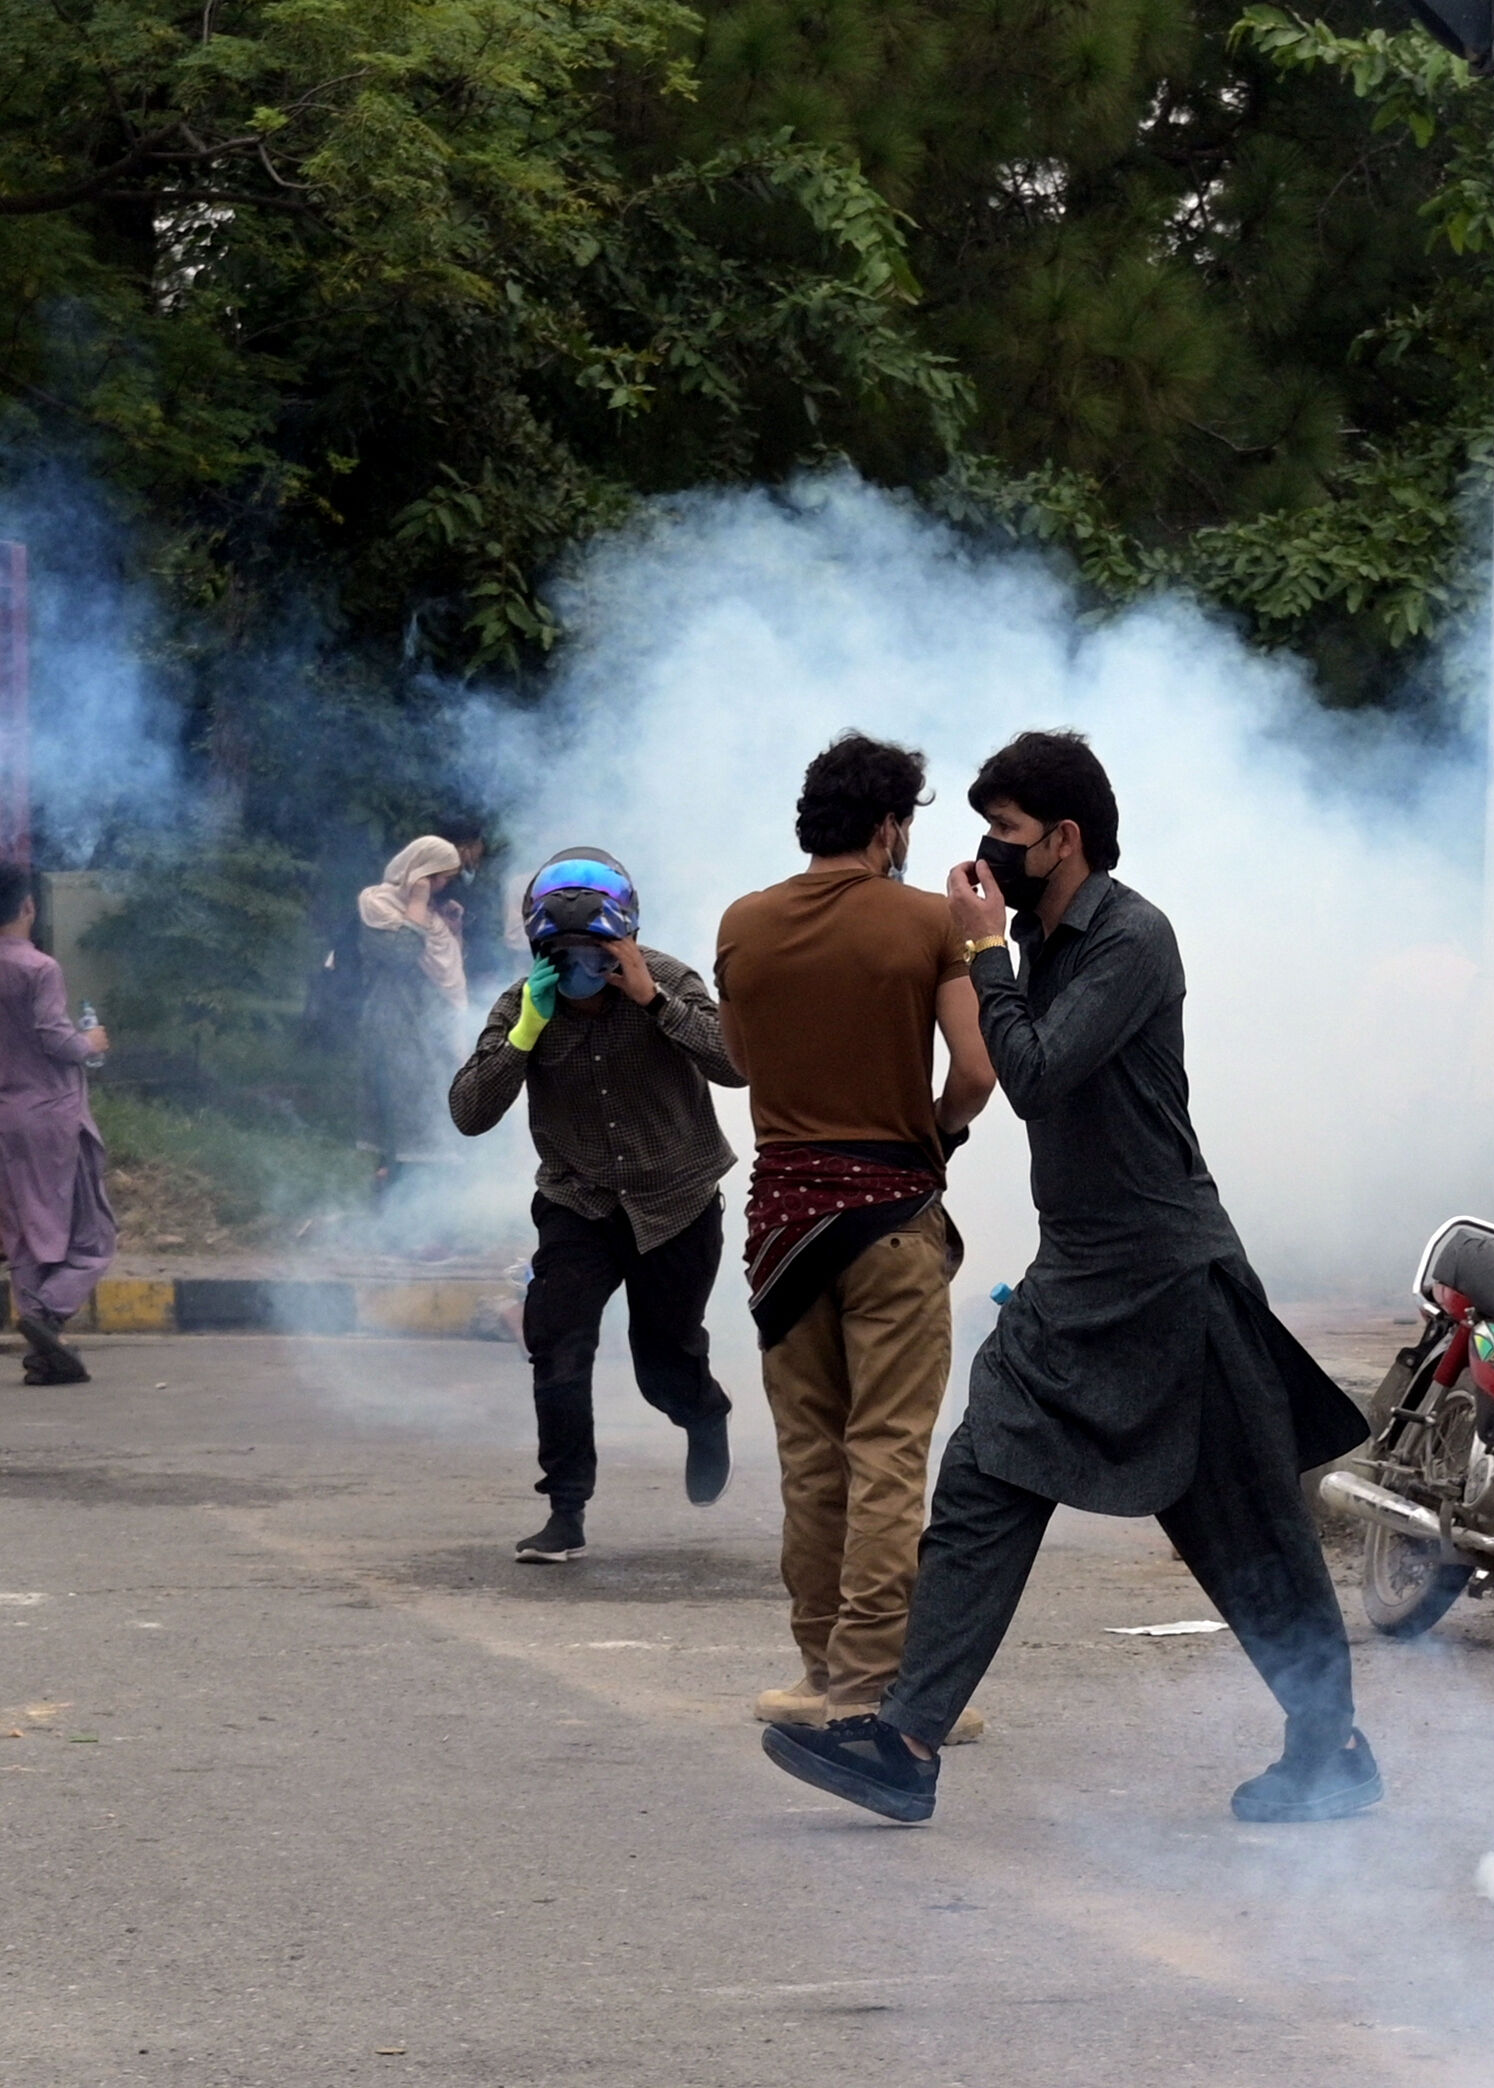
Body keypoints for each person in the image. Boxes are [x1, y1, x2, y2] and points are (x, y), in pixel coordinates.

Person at [759, 730, 1375, 1828]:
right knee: (983, 1474)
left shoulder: (1132, 937)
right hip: (1078, 1272)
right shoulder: (1043, 938)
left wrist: (984, 954)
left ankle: (1329, 1744)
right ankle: (905, 1741)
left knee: (1245, 1527)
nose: (987, 852)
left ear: (1065, 839)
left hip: (1172, 1276)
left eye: (1006, 832)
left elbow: (1035, 1076)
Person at [715, 735, 996, 1735]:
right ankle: (874, 1686)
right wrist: (936, 1134)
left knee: (813, 1457)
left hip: (783, 1232)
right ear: (889, 826)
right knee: (887, 1455)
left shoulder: (744, 923)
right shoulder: (928, 923)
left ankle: (817, 1669)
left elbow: (742, 1062)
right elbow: (976, 1072)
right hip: (891, 1225)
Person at [450, 851, 745, 1562]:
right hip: (576, 1200)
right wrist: (526, 1032)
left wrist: (652, 1001)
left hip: (676, 1199)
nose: (584, 966)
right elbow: (469, 1113)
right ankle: (566, 1509)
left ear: (626, 939)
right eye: (566, 952)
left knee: (663, 1359)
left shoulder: (668, 978)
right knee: (557, 1344)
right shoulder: (523, 1004)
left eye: (598, 950)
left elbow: (736, 1065)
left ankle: (703, 1415)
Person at [0, 861, 113, 1384]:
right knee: (92, 1234)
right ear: (28, 907)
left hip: (7, 1118)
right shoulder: (39, 968)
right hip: (52, 1116)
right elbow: (53, 1037)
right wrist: (87, 1042)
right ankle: (46, 1314)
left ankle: (45, 1359)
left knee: (26, 1233)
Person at [356, 836, 475, 1211]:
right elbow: (402, 955)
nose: (442, 886)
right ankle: (392, 1212)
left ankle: (423, 1213)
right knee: (403, 1119)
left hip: (432, 1026)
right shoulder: (378, 906)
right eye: (439, 877)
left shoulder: (430, 913)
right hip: (397, 1025)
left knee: (435, 1113)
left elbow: (449, 971)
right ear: (419, 871)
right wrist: (419, 902)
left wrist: (451, 928)